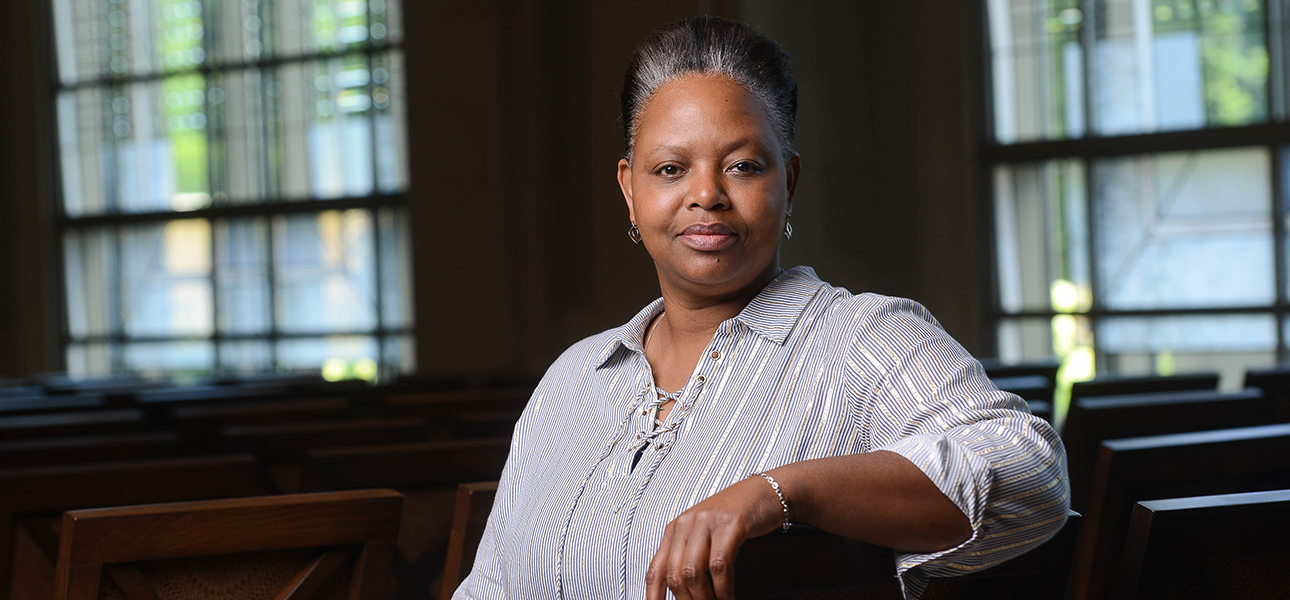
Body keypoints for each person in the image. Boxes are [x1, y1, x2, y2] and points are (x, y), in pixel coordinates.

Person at [453, 15, 1069, 600]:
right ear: (630, 191)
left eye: (742, 166)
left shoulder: (861, 339)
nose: (706, 196)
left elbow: (1031, 475)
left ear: (789, 182)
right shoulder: (572, 381)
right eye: (670, 169)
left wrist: (780, 492)